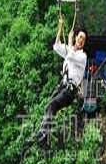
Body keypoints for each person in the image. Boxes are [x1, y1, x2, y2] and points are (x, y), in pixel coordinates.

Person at [34, 16, 88, 145]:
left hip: (70, 91)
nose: (81, 40)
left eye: (83, 39)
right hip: (63, 87)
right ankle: (44, 135)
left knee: (53, 105)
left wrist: (69, 41)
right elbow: (56, 46)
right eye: (79, 37)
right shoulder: (71, 51)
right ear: (76, 37)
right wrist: (60, 27)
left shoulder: (82, 56)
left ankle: (43, 134)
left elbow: (70, 55)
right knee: (49, 106)